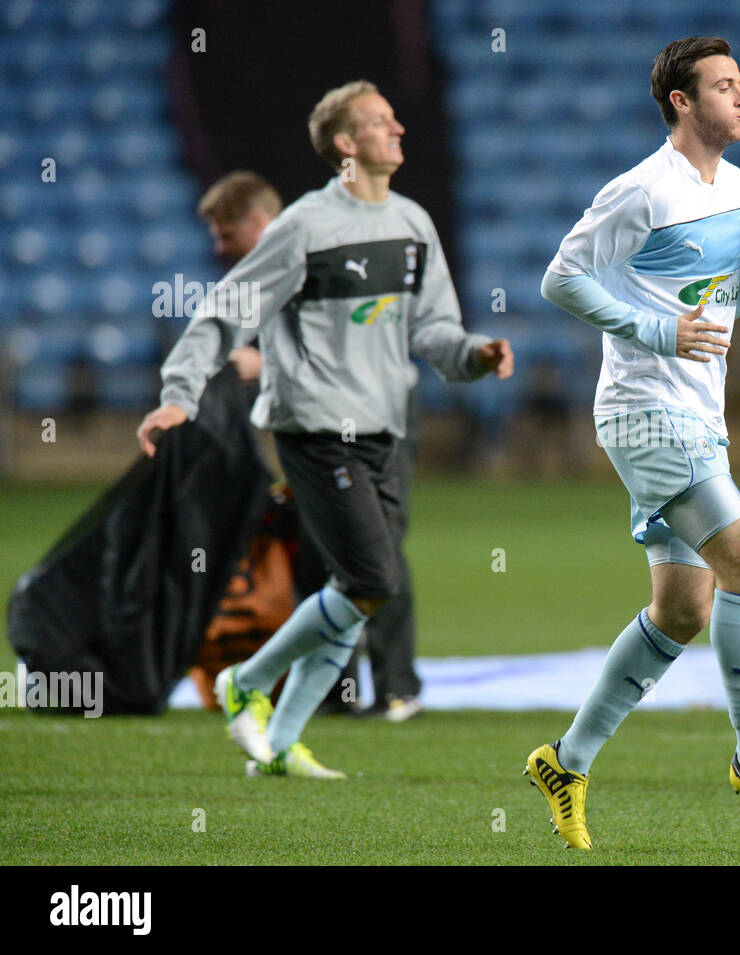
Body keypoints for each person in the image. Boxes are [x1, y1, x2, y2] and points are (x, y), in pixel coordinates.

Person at [136, 80, 513, 778]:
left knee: (361, 585)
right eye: (379, 121)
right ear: (345, 144)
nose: (398, 126)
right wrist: (179, 392)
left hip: (386, 427)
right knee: (373, 576)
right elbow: (226, 308)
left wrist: (472, 355)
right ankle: (244, 681)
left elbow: (433, 330)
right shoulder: (305, 227)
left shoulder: (412, 224)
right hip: (313, 426)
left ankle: (279, 742)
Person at [529, 37, 740, 849]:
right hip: (644, 410)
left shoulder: (734, 186)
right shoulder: (641, 190)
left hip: (698, 412)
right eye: (725, 86)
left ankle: (567, 759)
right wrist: (652, 330)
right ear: (681, 102)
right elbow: (561, 276)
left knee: (685, 608)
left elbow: (713, 308)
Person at [198, 170, 425, 721]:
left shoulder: (317, 248)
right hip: (315, 429)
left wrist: (264, 362)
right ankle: (334, 690)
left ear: (257, 222)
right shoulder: (273, 267)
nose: (219, 248)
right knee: (323, 550)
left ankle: (397, 689)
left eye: (226, 234)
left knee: (377, 552)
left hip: (375, 416)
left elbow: (349, 339)